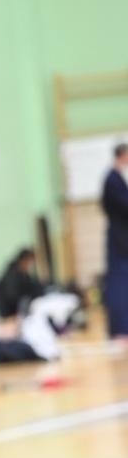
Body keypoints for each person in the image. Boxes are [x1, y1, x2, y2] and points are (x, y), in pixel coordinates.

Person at [101, 143, 128, 339]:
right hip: (119, 240)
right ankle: (120, 329)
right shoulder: (112, 178)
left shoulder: (116, 178)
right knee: (119, 283)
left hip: (120, 236)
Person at [0, 248, 45, 319]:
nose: (31, 266)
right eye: (30, 263)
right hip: (10, 314)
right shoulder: (13, 275)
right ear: (24, 260)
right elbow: (13, 296)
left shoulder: (22, 273)